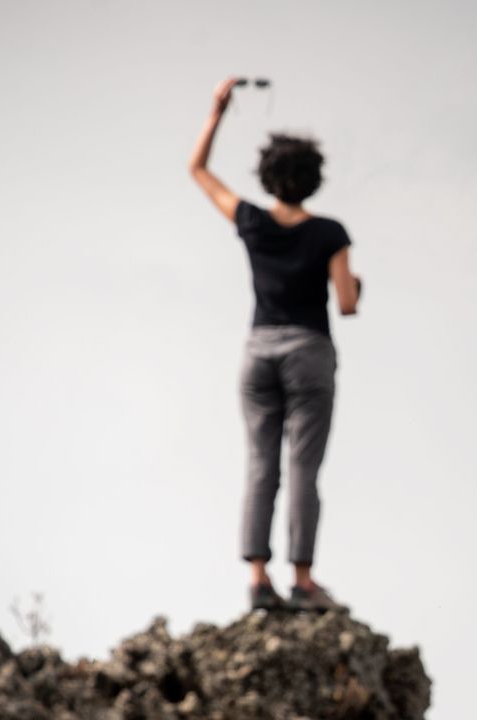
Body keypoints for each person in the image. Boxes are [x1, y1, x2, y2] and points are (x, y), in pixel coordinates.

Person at [188, 77, 360, 613]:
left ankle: (258, 580)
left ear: (267, 178)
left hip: (257, 351)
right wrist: (358, 289)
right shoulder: (330, 233)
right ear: (312, 181)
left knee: (261, 465)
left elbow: (198, 171)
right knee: (304, 469)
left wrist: (216, 113)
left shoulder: (252, 222)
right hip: (309, 352)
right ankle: (304, 582)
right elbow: (347, 302)